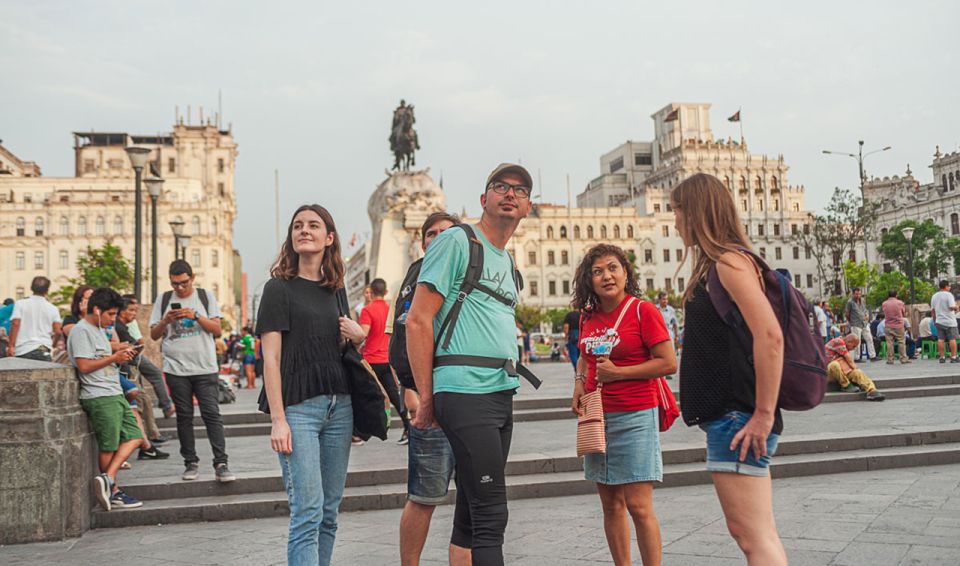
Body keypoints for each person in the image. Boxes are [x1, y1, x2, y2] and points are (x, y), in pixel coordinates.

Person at [407, 163, 533, 566]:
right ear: (484, 199)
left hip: (500, 391)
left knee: (471, 513)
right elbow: (417, 319)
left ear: (528, 206)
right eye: (501, 186)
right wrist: (427, 395)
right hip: (463, 390)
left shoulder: (508, 262)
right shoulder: (457, 241)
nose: (510, 193)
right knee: (493, 511)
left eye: (520, 190)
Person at [671, 173, 788, 565]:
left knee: (753, 539)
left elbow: (770, 336)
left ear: (697, 212)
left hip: (737, 417)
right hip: (735, 415)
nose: (674, 222)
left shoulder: (729, 263)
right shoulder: (725, 263)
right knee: (758, 534)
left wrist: (763, 415)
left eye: (677, 211)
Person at [258, 204, 364, 566]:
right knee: (308, 511)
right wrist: (278, 419)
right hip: (298, 409)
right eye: (298, 225)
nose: (305, 230)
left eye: (314, 225)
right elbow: (270, 358)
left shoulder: (336, 289)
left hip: (341, 408)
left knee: (330, 512)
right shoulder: (277, 289)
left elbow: (343, 348)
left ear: (329, 238)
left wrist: (360, 334)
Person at [570, 244, 675, 566]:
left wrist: (620, 374)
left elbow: (668, 363)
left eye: (613, 268)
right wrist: (578, 383)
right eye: (597, 271)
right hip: (596, 416)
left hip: (634, 414)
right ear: (589, 280)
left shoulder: (644, 312)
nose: (606, 276)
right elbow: (586, 360)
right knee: (610, 504)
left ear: (626, 273)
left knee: (638, 505)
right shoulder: (588, 317)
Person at [394, 211, 468, 566]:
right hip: (433, 402)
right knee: (423, 496)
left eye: (446, 232)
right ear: (422, 242)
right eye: (431, 233)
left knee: (473, 498)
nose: (438, 238)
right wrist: (416, 390)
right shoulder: (417, 275)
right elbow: (401, 340)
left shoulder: (474, 269)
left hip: (472, 399)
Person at [149, 260, 234, 483]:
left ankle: (221, 462)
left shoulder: (205, 296)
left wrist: (196, 316)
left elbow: (216, 329)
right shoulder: (164, 299)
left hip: (204, 366)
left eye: (184, 283)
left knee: (211, 415)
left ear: (192, 278)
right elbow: (154, 335)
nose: (179, 288)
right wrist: (166, 319)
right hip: (176, 368)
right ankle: (190, 462)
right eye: (175, 284)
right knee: (184, 417)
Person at [67, 287, 143, 511]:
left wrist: (122, 357)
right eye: (110, 314)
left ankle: (107, 479)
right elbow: (84, 366)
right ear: (97, 310)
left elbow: (104, 359)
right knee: (108, 446)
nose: (113, 319)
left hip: (113, 391)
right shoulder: (81, 331)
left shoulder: (100, 329)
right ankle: (114, 491)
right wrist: (114, 357)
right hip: (99, 395)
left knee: (135, 436)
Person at [361, 278, 412, 442]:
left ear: (371, 292)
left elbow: (363, 333)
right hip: (387, 359)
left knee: (364, 395)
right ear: (385, 292)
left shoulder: (367, 310)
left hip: (370, 360)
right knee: (395, 397)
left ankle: (360, 433)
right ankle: (408, 427)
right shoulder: (391, 308)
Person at [116, 294, 175, 422]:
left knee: (144, 392)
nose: (134, 314)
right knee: (141, 395)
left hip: (131, 358)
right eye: (131, 310)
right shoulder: (118, 327)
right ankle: (165, 406)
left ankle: (165, 407)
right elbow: (135, 344)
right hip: (127, 362)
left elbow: (138, 344)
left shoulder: (125, 325)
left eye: (136, 310)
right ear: (121, 311)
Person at [7, 276, 62, 361]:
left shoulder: (20, 304)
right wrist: (53, 345)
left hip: (23, 349)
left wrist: (11, 346)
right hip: (44, 349)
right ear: (47, 291)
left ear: (31, 288)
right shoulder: (53, 308)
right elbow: (58, 331)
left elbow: (15, 324)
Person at [824, 334, 885, 401]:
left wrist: (856, 372)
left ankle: (872, 390)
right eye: (854, 346)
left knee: (857, 372)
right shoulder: (838, 341)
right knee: (834, 365)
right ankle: (846, 385)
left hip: (841, 371)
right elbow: (849, 361)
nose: (854, 348)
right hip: (828, 373)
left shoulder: (844, 345)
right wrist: (855, 368)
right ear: (849, 342)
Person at [930, 280, 959, 363]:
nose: (950, 287)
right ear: (946, 286)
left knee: (940, 339)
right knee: (952, 339)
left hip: (939, 321)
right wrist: (956, 307)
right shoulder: (949, 295)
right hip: (950, 321)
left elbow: (933, 310)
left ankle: (942, 357)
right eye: (949, 286)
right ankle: (953, 357)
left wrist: (935, 320)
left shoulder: (934, 296)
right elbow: (951, 307)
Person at [845, 288, 876, 361]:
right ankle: (856, 357)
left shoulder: (862, 300)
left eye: (859, 294)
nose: (858, 295)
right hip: (855, 323)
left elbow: (865, 309)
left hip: (864, 323)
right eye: (856, 294)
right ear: (853, 294)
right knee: (857, 341)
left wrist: (867, 314)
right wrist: (851, 321)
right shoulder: (850, 302)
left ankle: (873, 356)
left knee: (869, 338)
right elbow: (847, 313)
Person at [881, 290, 910, 364]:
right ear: (896, 295)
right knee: (901, 342)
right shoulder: (900, 303)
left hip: (888, 325)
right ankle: (903, 359)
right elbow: (903, 313)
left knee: (889, 343)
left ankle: (890, 359)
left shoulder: (884, 303)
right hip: (899, 325)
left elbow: (884, 312)